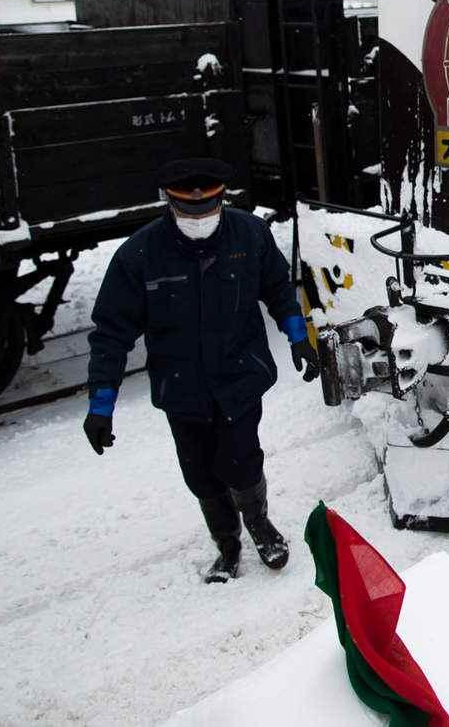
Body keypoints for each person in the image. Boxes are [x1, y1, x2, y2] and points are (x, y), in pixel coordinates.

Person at [82, 157, 322, 583]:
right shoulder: (140, 254)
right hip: (182, 388)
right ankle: (227, 544)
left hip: (239, 377)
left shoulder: (250, 235)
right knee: (200, 473)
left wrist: (298, 335)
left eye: (207, 209)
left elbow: (278, 289)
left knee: (242, 461)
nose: (199, 217)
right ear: (169, 204)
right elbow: (110, 333)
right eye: (188, 211)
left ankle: (259, 525)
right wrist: (102, 403)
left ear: (221, 201)